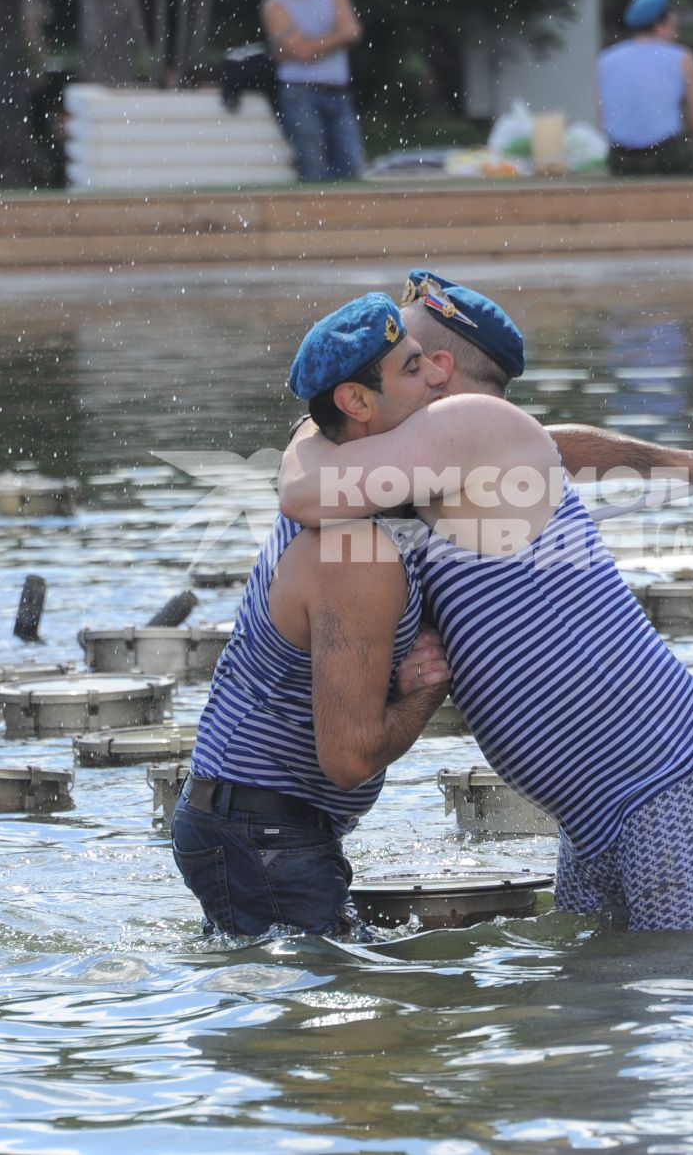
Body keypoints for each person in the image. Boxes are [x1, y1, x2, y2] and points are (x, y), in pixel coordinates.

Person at [277, 271, 693, 932]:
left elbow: (303, 494)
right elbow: (560, 442)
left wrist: (313, 424)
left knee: (688, 981)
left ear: (439, 368)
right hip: (598, 806)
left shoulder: (464, 428)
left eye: (409, 355)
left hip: (666, 785)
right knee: (590, 1014)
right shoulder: (473, 445)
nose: (402, 363)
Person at [173, 294, 452, 938]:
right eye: (414, 369)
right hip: (263, 830)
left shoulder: (331, 466)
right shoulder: (352, 551)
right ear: (356, 404)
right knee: (334, 1028)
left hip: (253, 822)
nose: (438, 375)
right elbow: (348, 759)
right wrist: (426, 694)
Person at [262, 0, 366, 182]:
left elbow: (352, 33)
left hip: (338, 92)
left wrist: (310, 44)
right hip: (301, 94)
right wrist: (334, 37)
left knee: (352, 167)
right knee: (313, 169)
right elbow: (303, 51)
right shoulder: (275, 4)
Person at [598, 0, 693, 175]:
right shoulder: (682, 57)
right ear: (659, 25)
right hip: (666, 156)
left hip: (621, 158)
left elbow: (602, 114)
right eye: (673, 27)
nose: (676, 34)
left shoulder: (605, 59)